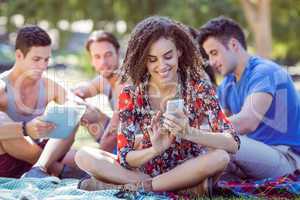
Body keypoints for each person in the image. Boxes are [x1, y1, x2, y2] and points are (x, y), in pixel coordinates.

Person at [75, 16, 240, 197]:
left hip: (189, 168)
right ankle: (169, 186)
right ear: (143, 60)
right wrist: (155, 149)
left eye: (167, 56)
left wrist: (188, 133)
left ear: (179, 51)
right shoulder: (131, 93)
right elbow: (125, 156)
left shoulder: (199, 88)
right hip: (146, 169)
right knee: (83, 156)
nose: (162, 66)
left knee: (220, 157)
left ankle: (136, 187)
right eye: (152, 59)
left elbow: (232, 143)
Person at [198, 16, 300, 180]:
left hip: (286, 158)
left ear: (233, 45)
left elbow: (247, 121)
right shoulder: (227, 85)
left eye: (214, 53)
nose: (212, 62)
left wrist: (195, 133)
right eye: (209, 56)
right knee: (206, 153)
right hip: (253, 156)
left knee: (223, 142)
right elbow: (219, 121)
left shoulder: (264, 72)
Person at [0, 25, 83, 178]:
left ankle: (41, 167)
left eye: (46, 60)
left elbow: (74, 102)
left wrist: (74, 103)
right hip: (9, 161)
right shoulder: (2, 86)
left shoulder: (47, 84)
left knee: (72, 113)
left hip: (41, 152)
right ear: (19, 55)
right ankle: (56, 169)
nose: (43, 66)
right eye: (36, 59)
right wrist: (26, 129)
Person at [72, 31, 122, 153]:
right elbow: (82, 89)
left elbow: (113, 134)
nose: (103, 62)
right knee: (81, 109)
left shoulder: (125, 82)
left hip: (136, 149)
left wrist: (97, 160)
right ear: (91, 60)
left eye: (108, 55)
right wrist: (76, 94)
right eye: (97, 57)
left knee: (75, 159)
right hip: (118, 139)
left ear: (118, 53)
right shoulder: (105, 79)